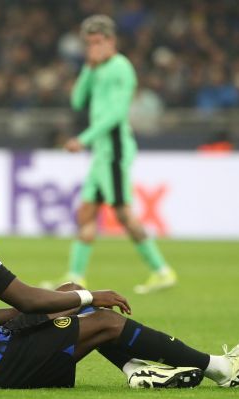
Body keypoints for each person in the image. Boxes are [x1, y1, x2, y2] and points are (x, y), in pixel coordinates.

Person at [0, 166, 239, 389]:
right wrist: (92, 298)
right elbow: (26, 299)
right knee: (103, 320)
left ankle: (135, 370)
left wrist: (61, 306)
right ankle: (220, 368)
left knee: (69, 291)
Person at [61, 15, 176, 294]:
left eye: (98, 42)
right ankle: (75, 278)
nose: (94, 48)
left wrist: (83, 139)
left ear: (111, 41)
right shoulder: (96, 68)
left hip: (114, 149)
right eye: (88, 43)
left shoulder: (122, 68)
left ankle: (162, 271)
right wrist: (88, 68)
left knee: (123, 213)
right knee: (86, 213)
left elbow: (116, 115)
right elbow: (77, 100)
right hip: (101, 152)